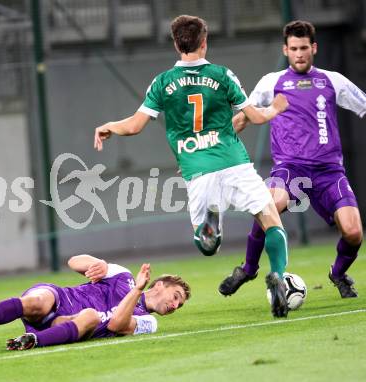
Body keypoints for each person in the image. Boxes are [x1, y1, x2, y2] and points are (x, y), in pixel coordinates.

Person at [94, 15, 291, 317]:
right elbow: (255, 116)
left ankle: (208, 227)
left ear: (176, 43)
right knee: (270, 219)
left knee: (207, 246)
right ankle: (278, 275)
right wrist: (275, 107)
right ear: (204, 41)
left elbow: (134, 126)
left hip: (198, 171)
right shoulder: (223, 75)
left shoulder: (162, 82)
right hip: (234, 162)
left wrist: (110, 126)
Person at [219, 20, 366, 299]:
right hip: (290, 167)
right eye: (294, 48)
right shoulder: (271, 82)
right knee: (269, 205)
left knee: (354, 232)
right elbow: (243, 118)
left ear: (314, 48)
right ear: (285, 49)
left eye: (304, 48)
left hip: (329, 172)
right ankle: (249, 268)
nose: (299, 53)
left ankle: (338, 274)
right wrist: (211, 149)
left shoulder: (333, 81)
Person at [0, 255, 191, 350]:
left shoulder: (149, 322)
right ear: (160, 285)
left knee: (91, 315)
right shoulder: (123, 275)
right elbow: (74, 262)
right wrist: (99, 265)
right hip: (61, 298)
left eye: (179, 306)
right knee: (37, 301)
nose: (175, 306)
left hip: (71, 324)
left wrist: (137, 291)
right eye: (176, 297)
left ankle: (32, 341)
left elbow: (116, 324)